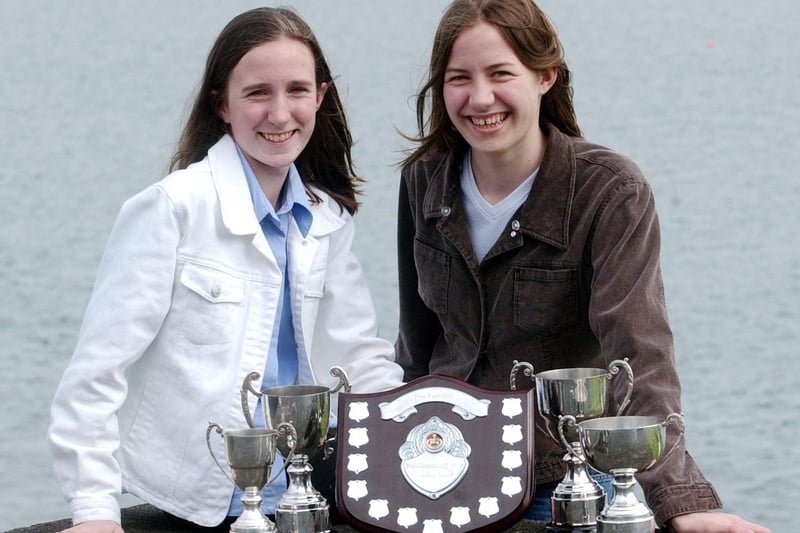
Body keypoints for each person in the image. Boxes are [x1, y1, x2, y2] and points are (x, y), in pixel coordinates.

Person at [395, 1, 770, 532]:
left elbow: (638, 353)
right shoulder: (423, 181)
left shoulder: (611, 192)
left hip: (559, 479)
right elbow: (417, 348)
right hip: (439, 465)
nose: (480, 98)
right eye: (459, 79)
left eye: (501, 73)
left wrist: (680, 502)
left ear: (545, 75)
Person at [48, 7, 404, 533]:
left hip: (309, 494)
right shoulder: (171, 209)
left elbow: (354, 355)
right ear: (222, 105)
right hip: (196, 503)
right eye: (258, 93)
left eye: (298, 90)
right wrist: (95, 510)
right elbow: (97, 373)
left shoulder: (327, 217)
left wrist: (411, 446)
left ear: (321, 97)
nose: (280, 114)